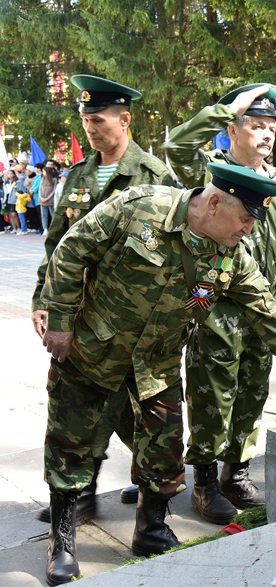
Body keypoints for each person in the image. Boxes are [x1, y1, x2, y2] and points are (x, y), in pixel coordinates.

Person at [38, 163, 276, 585]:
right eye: (246, 219)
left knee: (164, 450)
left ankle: (151, 529)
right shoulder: (139, 207)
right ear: (215, 202)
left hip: (156, 362)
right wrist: (61, 322)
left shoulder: (231, 258)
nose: (249, 230)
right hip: (94, 348)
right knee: (70, 444)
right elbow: (72, 251)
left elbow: (268, 315)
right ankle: (63, 538)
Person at [31, 76, 175, 524]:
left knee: (135, 410)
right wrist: (44, 300)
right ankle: (79, 494)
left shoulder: (154, 174)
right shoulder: (77, 175)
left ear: (125, 119)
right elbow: (56, 247)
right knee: (78, 407)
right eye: (84, 120)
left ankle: (149, 493)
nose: (90, 129)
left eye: (97, 120)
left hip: (130, 316)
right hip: (80, 314)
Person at [161, 83, 276, 524]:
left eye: (271, 127)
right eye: (256, 125)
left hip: (262, 310)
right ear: (233, 129)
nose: (266, 134)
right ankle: (203, 482)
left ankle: (236, 473)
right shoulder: (210, 174)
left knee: (251, 395)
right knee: (211, 394)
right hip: (214, 305)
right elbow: (177, 144)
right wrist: (224, 108)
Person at [39, 165, 59, 235]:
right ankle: (45, 228)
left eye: (44, 171)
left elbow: (54, 190)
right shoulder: (42, 178)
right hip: (42, 199)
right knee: (43, 214)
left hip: (50, 199)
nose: (43, 173)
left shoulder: (54, 179)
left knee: (52, 214)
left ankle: (53, 228)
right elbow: (40, 188)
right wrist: (41, 197)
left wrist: (47, 198)